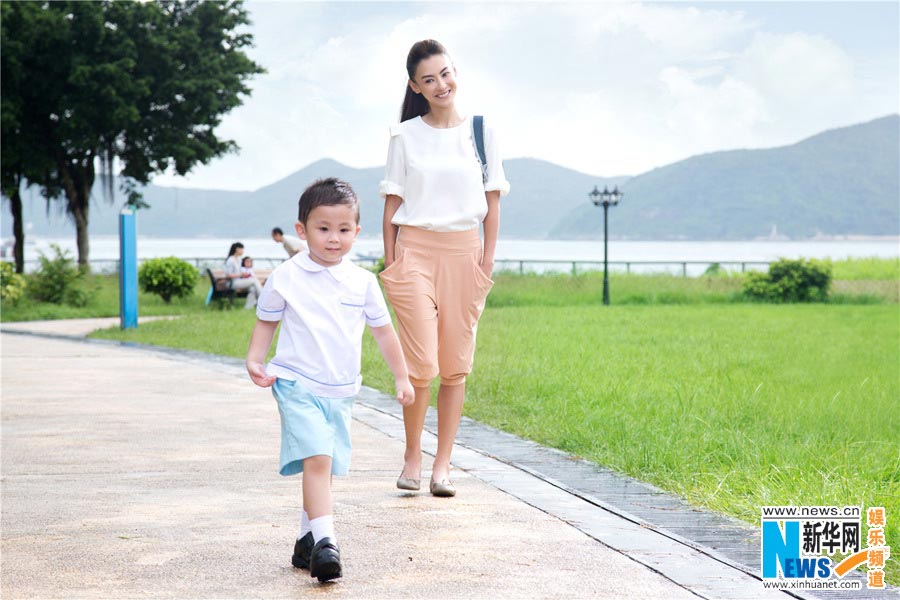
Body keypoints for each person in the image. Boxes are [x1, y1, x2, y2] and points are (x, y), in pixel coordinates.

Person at [246, 178, 415, 583]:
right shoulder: (286, 277)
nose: (333, 239)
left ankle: (306, 540)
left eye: (343, 230)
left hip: (341, 391)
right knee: (318, 458)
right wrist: (255, 358)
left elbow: (385, 333)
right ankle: (327, 544)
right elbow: (266, 322)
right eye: (323, 229)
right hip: (295, 383)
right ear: (302, 230)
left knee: (323, 464)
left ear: (357, 231)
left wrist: (402, 376)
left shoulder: (363, 282)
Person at [379, 40, 510, 497]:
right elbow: (392, 202)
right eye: (429, 79)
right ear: (416, 86)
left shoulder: (481, 131)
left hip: (465, 255)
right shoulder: (404, 135)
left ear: (457, 72)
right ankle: (412, 454)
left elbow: (492, 201)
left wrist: (486, 260)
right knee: (423, 364)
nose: (441, 85)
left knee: (454, 368)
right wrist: (392, 261)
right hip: (414, 251)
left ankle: (442, 465)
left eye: (446, 74)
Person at [225, 242, 263, 309]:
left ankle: (247, 308)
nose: (243, 251)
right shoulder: (231, 260)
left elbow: (241, 272)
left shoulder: (239, 259)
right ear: (237, 249)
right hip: (232, 282)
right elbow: (228, 275)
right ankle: (264, 299)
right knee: (254, 280)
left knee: (253, 289)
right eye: (242, 249)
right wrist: (241, 274)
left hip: (240, 281)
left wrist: (244, 275)